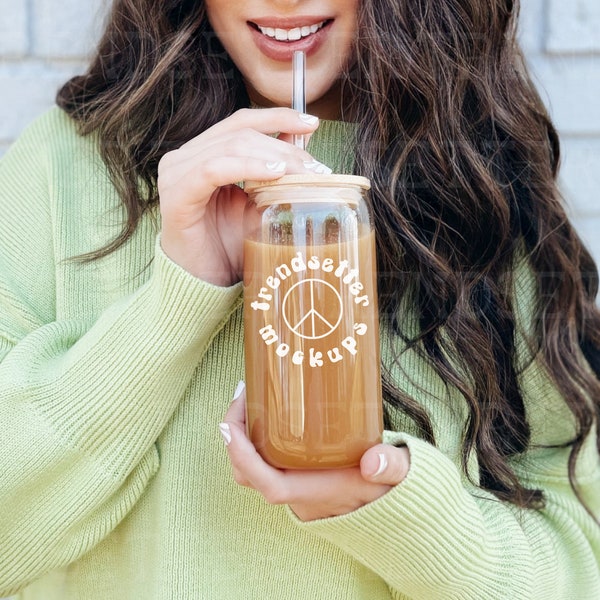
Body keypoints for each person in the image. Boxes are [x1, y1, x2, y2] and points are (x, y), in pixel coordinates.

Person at [0, 0, 599, 597]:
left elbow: (582, 561)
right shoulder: (64, 167)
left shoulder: (480, 190)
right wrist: (177, 298)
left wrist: (410, 521)